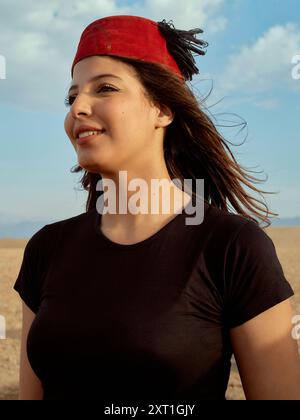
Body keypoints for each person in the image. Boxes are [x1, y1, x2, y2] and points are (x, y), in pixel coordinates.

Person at [14, 15, 300, 401]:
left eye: (105, 88)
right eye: (71, 96)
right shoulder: (46, 248)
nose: (78, 106)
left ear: (162, 110)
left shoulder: (231, 247)